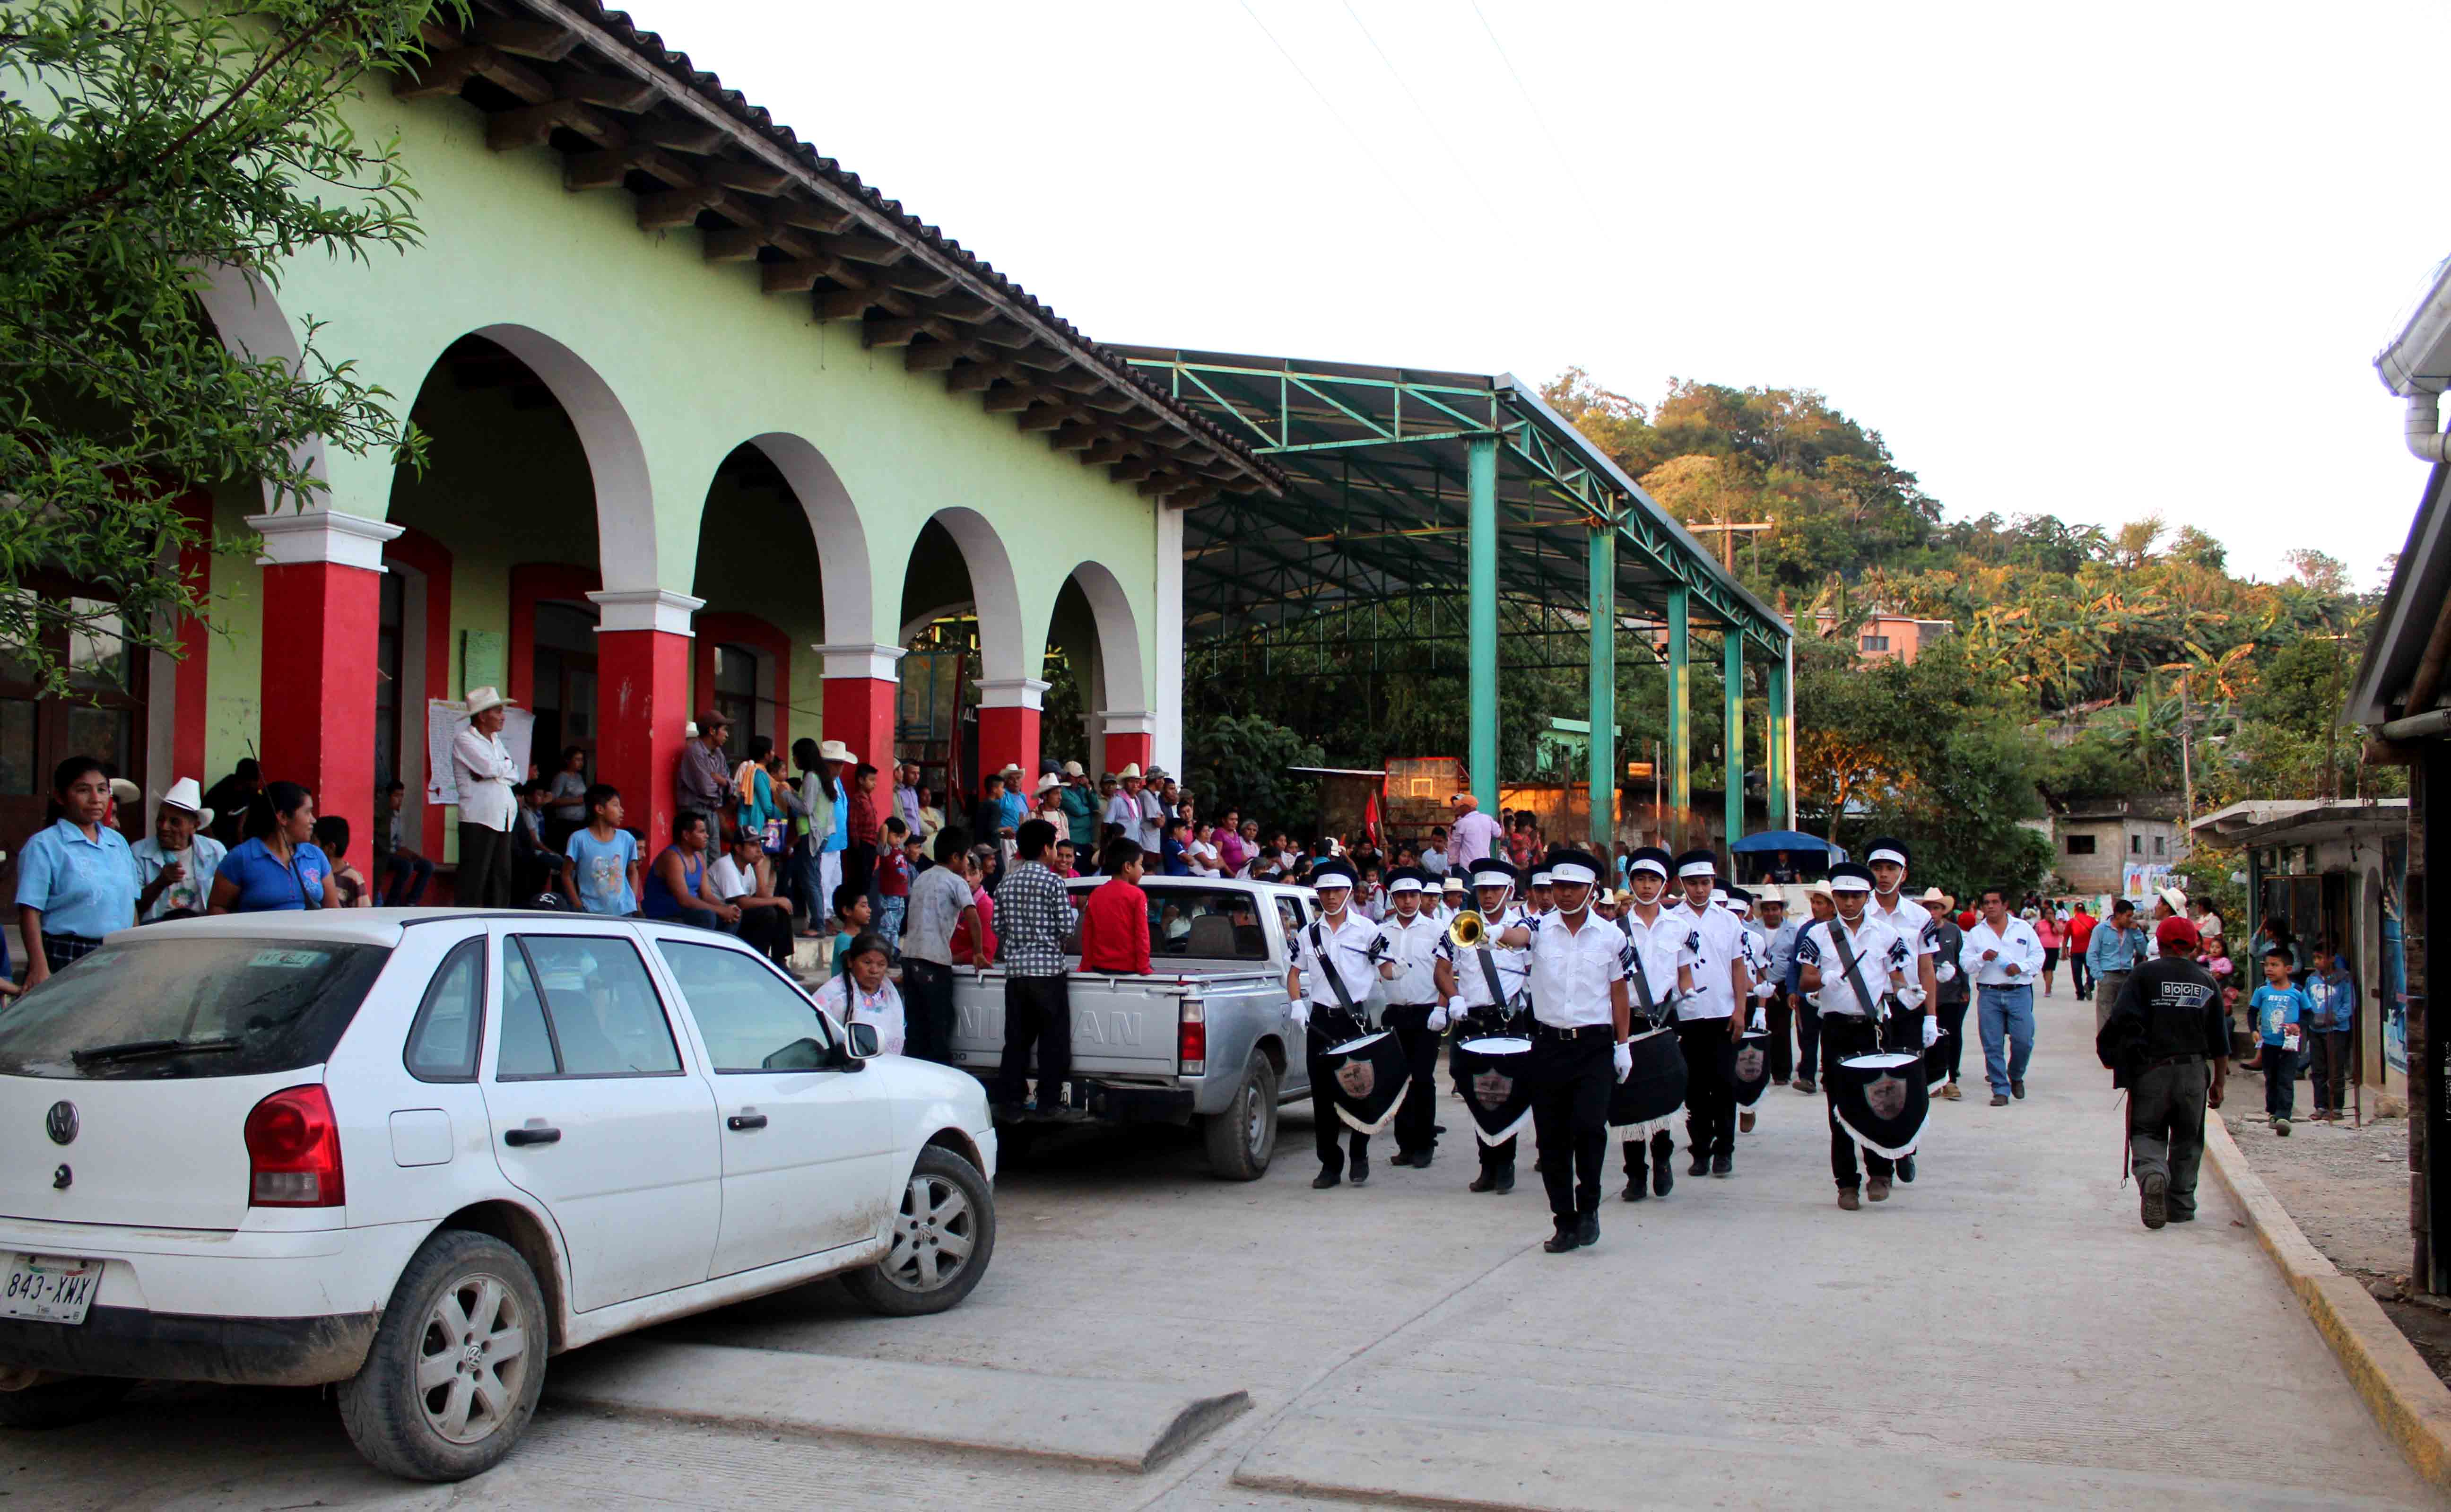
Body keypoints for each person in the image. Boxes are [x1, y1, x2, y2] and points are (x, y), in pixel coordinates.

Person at [1493, 848, 1634, 1252]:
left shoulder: (1612, 936)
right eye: (1559, 887)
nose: (1566, 894)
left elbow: (1619, 993)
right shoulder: (1539, 926)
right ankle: (1564, 1220)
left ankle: (1589, 1206)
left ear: (1592, 890)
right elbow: (1517, 937)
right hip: (1549, 1045)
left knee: (1590, 1128)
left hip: (1593, 1045)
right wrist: (1494, 932)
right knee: (1551, 1139)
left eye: (1574, 887)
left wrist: (1622, 1046)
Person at [1795, 861, 1919, 1209]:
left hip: (1874, 1029)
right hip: (1836, 1029)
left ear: (1867, 897)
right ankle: (1846, 1183)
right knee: (1838, 1108)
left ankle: (1879, 1174)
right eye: (1843, 896)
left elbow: (1897, 977)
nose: (1849, 903)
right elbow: (1805, 979)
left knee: (1877, 1102)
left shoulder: (1886, 934)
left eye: (1856, 896)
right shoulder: (1818, 935)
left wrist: (1908, 994)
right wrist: (1824, 980)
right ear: (1834, 897)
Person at [2095, 914, 2228, 1228]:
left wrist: (2112, 1056)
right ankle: (2180, 1205)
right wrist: (2219, 1083)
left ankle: (2154, 1174)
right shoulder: (2207, 981)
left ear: (2162, 943)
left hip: (2151, 1071)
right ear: (2194, 945)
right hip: (2193, 1072)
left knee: (2147, 1132)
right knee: (2188, 1138)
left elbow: (2121, 1019)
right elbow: (2220, 1042)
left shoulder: (2143, 975)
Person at [1286, 857, 1399, 1190]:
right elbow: (1294, 974)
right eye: (1324, 891)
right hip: (1321, 1020)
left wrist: (1401, 968)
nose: (1331, 897)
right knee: (1322, 1097)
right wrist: (1296, 1004)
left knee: (1360, 1091)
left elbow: (1386, 968)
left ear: (1349, 892)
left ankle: (1360, 1154)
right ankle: (1329, 1165)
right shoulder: (1308, 933)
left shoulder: (1367, 930)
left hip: (1356, 1022)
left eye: (1336, 890)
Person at [1434, 859, 1532, 1194]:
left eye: (1495, 890)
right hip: (1472, 1020)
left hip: (1507, 1020)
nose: (1489, 896)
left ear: (1509, 891)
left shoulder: (1524, 926)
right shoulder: (1461, 925)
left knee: (1508, 1093)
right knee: (1477, 1092)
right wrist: (1452, 998)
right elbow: (1442, 970)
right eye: (1483, 890)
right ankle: (1487, 1165)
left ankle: (1506, 1164)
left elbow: (1536, 967)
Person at [1616, 846, 1698, 1202]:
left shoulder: (1680, 927)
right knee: (1627, 1097)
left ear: (1665, 885)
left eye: (1654, 880)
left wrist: (1689, 992)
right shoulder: (1615, 929)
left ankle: (1662, 1160)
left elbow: (1684, 973)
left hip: (1665, 1019)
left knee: (1664, 1093)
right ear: (1630, 883)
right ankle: (1635, 1174)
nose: (1647, 887)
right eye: (1640, 879)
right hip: (1626, 1020)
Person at [17, 755, 140, 981]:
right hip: (67, 953)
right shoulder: (45, 845)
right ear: (60, 797)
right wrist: (38, 967)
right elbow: (30, 911)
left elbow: (130, 905)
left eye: (102, 790)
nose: (96, 799)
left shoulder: (117, 842)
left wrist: (135, 953)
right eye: (83, 790)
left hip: (118, 953)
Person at [1667, 848, 1750, 1178]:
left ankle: (1724, 1150)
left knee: (1725, 1083)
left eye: (1705, 883)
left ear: (1713, 881)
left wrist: (1741, 1010)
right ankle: (1700, 1148)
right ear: (1681, 884)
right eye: (1692, 883)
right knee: (1694, 1087)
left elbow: (1738, 967)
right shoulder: (1672, 920)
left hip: (1722, 1012)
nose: (1699, 890)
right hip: (1687, 1014)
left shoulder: (1729, 920)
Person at [990, 818, 1074, 1121]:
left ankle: (1010, 1100)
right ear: (1045, 849)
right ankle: (1048, 1102)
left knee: (1016, 1040)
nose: (1056, 852)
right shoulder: (1053, 882)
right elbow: (1067, 927)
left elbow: (997, 927)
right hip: (1049, 973)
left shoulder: (1006, 882)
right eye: (1054, 846)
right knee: (1053, 1041)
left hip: (1016, 975)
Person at [1375, 869, 1447, 1169]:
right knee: (1397, 1080)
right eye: (1401, 896)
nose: (1407, 902)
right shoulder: (1382, 932)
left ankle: (1424, 1143)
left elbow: (1447, 972)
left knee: (1422, 1079)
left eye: (1413, 896)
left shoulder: (1437, 930)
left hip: (1426, 1012)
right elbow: (1378, 968)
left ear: (1421, 897)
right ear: (1392, 898)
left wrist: (1442, 1008)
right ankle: (1405, 1144)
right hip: (1395, 1012)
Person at [901, 827, 986, 1065]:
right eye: (967, 856)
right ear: (956, 858)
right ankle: (940, 1074)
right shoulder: (957, 883)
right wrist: (978, 953)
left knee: (916, 1024)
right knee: (940, 1024)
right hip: (934, 960)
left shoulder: (921, 877)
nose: (968, 862)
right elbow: (973, 918)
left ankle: (916, 1069)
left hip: (910, 958)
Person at [1961, 886, 2044, 1107]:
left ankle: (2015, 1074)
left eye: (1995, 902)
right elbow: (1966, 964)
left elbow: (2039, 956)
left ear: (2005, 905)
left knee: (2024, 1040)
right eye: (1986, 903)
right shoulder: (1977, 934)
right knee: (1992, 1044)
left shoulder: (2023, 928)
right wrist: (1982, 957)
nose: (1990, 906)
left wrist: (2021, 967)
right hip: (1990, 993)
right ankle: (2000, 1089)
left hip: (2019, 992)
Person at [1861, 837, 1939, 1062]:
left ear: (1903, 875)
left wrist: (1931, 1017)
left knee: (1909, 1078)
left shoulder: (1921, 917)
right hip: (1868, 1006)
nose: (1883, 875)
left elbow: (1926, 969)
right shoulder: (1858, 914)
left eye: (1891, 869)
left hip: (1909, 1005)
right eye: (1877, 868)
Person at [207, 781, 335, 918]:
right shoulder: (241, 858)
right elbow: (217, 907)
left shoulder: (316, 856)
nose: (314, 820)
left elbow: (333, 910)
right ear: (283, 818)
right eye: (308, 812)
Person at [451, 686, 520, 908]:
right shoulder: (465, 739)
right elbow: (489, 768)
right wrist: (501, 769)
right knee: (474, 880)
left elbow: (515, 773)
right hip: (478, 819)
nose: (503, 717)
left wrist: (499, 770)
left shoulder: (496, 742)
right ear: (482, 716)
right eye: (498, 712)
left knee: (501, 878)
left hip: (503, 818)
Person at [132, 776, 224, 923]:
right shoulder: (139, 852)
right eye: (161, 819)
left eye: (174, 822)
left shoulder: (215, 851)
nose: (164, 827)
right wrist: (161, 882)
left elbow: (226, 901)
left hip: (203, 928)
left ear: (194, 826)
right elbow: (133, 908)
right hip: (155, 931)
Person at [2249, 947, 2311, 1136]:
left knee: (2286, 1079)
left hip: (2290, 1045)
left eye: (2275, 965)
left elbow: (2308, 1014)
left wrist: (2299, 1026)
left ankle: (2284, 1115)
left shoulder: (2297, 991)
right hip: (2269, 1044)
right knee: (2271, 1079)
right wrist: (2254, 1031)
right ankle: (2273, 1112)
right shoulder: (2262, 991)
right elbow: (2252, 1012)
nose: (2269, 969)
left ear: (2288, 969)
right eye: (2267, 965)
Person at [642, 811, 738, 931]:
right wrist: (720, 910)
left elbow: (706, 894)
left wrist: (726, 909)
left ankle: (721, 950)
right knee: (707, 917)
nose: (707, 836)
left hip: (687, 913)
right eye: (702, 832)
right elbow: (684, 899)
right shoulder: (672, 858)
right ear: (686, 835)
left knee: (734, 916)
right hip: (664, 917)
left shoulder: (699, 858)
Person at [710, 829, 794, 964]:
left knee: (780, 909)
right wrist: (778, 900)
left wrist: (759, 870)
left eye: (759, 845)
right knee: (768, 912)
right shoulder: (726, 865)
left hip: (739, 916)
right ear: (738, 848)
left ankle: (780, 962)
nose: (759, 850)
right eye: (753, 845)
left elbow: (762, 898)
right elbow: (743, 903)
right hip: (724, 919)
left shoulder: (748, 867)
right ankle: (759, 962)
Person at [816, 932, 906, 1056]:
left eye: (881, 965)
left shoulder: (890, 995)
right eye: (867, 963)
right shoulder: (834, 996)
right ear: (851, 962)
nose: (874, 970)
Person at [1920, 887, 1972, 1101]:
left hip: (1952, 992)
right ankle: (1932, 1078)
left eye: (1937, 908)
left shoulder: (1954, 931)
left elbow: (1962, 961)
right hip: (1927, 993)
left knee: (1952, 1034)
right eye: (1929, 908)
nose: (1933, 912)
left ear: (1944, 911)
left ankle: (1951, 1078)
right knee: (1929, 1036)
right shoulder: (1919, 931)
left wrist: (1965, 987)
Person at [562, 782, 641, 917]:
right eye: (616, 805)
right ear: (600, 809)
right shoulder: (579, 839)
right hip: (590, 912)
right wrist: (578, 906)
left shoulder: (627, 839)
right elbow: (566, 875)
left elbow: (633, 872)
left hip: (623, 912)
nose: (622, 810)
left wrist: (631, 901)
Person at [1788, 881, 1835, 1093]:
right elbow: (1795, 963)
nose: (1815, 907)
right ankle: (1807, 1077)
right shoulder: (1806, 930)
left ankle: (1830, 1076)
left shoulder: (1838, 930)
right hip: (1807, 991)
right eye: (1813, 902)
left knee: (1830, 1036)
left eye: (1820, 903)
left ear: (1831, 906)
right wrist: (1793, 990)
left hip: (1831, 991)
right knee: (1808, 1035)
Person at [1079, 837, 1152, 973]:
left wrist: (1085, 968)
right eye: (1141, 864)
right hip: (1129, 970)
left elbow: (1088, 935)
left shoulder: (1096, 894)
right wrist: (1144, 968)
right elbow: (1142, 936)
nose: (1142, 870)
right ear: (1128, 867)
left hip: (1099, 968)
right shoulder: (1137, 895)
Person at [2304, 943, 2358, 1123]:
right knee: (2318, 1070)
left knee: (2335, 1070)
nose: (2318, 962)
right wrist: (2310, 1018)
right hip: (2315, 1029)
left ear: (2332, 958)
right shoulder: (2312, 979)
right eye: (2316, 958)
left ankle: (2337, 1107)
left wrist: (2335, 1018)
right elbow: (2306, 1000)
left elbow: (2349, 1004)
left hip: (2337, 1030)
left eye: (2321, 958)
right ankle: (2320, 1106)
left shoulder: (2344, 979)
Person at [1756, 888, 1801, 1091]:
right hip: (1759, 984)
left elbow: (1795, 961)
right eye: (1767, 909)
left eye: (1775, 909)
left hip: (1782, 984)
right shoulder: (1751, 928)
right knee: (1759, 1029)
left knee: (1782, 1029)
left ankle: (1782, 1072)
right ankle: (1760, 1071)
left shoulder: (1793, 931)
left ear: (1781, 910)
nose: (1771, 913)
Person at [2087, 898, 2149, 1034]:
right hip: (2108, 975)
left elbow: (2144, 951)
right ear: (2118, 915)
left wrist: (2138, 933)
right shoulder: (2101, 930)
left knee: (2125, 1012)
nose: (2130, 919)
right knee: (2105, 1013)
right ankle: (2106, 1043)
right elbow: (2092, 954)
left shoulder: (2132, 931)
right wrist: (2100, 976)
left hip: (2127, 976)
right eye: (2128, 916)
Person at [676, 713, 732, 839]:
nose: (727, 735)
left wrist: (723, 781)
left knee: (714, 857)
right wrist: (724, 786)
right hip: (695, 813)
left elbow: (730, 784)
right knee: (699, 856)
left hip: (712, 811)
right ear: (712, 731)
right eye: (724, 730)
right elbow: (706, 789)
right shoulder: (695, 752)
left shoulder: (719, 754)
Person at [376, 781, 432, 905]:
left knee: (427, 866)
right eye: (396, 796)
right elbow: (382, 846)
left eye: (402, 796)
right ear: (388, 797)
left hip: (395, 853)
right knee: (406, 866)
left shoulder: (397, 817)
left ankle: (412, 902)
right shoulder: (380, 816)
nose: (400, 800)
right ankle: (392, 903)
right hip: (383, 856)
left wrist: (412, 854)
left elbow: (398, 844)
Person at [875, 818, 913, 959]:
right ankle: (884, 953)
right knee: (887, 927)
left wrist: (899, 834)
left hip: (900, 896)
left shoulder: (899, 849)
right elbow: (884, 829)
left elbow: (908, 832)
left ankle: (894, 952)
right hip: (889, 895)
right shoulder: (885, 851)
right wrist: (887, 827)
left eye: (900, 837)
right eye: (895, 836)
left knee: (896, 928)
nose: (899, 840)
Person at [202, 757, 261, 848]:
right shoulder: (219, 793)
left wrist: (240, 833)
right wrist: (217, 847)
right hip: (217, 842)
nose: (259, 784)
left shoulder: (251, 792)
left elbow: (246, 809)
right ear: (248, 780)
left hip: (236, 842)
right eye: (258, 780)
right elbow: (204, 822)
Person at [315, 817, 372, 907]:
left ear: (331, 848)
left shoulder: (353, 879)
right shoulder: (312, 874)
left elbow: (365, 914)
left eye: (314, 843)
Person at [543, 745, 589, 851]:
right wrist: (576, 801)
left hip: (579, 822)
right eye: (577, 760)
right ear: (568, 761)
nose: (581, 763)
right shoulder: (561, 777)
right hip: (565, 823)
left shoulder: (579, 777)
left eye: (582, 760)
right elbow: (552, 801)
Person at [1446, 790, 1503, 867]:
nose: (1458, 808)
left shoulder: (1461, 824)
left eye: (1461, 806)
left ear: (1467, 808)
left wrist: (1453, 865)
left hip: (1467, 868)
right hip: (1484, 865)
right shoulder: (1488, 819)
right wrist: (1502, 820)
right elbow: (1501, 835)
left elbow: (1454, 847)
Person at [828, 886, 873, 974]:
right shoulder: (844, 939)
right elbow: (858, 967)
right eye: (863, 906)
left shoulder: (863, 937)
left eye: (868, 906)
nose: (869, 910)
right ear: (847, 911)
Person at [2066, 903, 2097, 1000]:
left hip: (2075, 952)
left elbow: (2066, 938)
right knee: (2092, 971)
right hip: (2089, 951)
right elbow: (2098, 935)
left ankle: (2080, 994)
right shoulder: (2092, 921)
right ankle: (2089, 985)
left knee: (2077, 974)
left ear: (2075, 911)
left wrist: (2064, 951)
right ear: (2085, 910)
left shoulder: (2071, 922)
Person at [2035, 907, 2062, 997]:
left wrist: (2054, 922)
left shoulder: (2057, 923)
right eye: (2048, 913)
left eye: (2051, 913)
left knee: (2049, 970)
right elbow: (2036, 935)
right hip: (2042, 949)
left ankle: (2048, 990)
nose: (2049, 915)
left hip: (2053, 949)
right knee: (2044, 970)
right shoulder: (2040, 923)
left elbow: (2061, 932)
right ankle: (2048, 985)